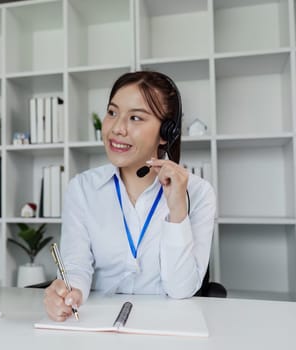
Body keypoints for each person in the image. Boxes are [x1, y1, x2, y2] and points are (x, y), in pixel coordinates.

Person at [44, 70, 216, 322]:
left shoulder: (198, 193)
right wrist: (69, 292)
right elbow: (77, 265)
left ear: (166, 133)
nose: (117, 128)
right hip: (97, 324)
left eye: (135, 118)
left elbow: (181, 289)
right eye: (112, 112)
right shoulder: (82, 188)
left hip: (167, 325)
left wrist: (178, 212)